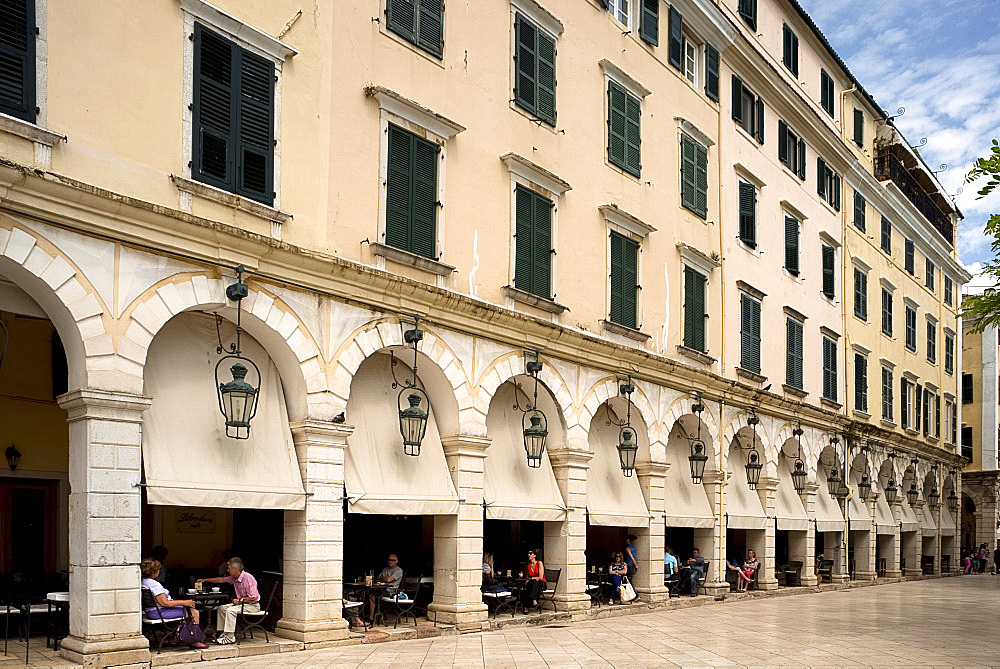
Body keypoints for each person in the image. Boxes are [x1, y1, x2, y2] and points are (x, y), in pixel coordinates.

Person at [141, 558, 209, 649]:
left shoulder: (143, 581)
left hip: (151, 611)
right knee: (193, 611)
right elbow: (165, 603)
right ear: (155, 572)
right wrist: (185, 602)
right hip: (159, 612)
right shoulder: (154, 585)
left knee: (186, 609)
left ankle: (182, 637)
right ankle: (195, 641)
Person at [197, 557, 260, 645]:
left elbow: (254, 597)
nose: (227, 570)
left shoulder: (248, 578)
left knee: (230, 611)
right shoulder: (234, 578)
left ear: (235, 569)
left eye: (229, 569)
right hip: (241, 604)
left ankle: (230, 637)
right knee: (222, 608)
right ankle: (223, 633)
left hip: (252, 606)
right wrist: (205, 580)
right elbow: (222, 580)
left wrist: (239, 600)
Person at [363, 554, 403, 622]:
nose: (390, 561)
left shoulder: (398, 570)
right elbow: (377, 579)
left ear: (396, 561)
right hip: (382, 589)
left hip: (391, 591)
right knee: (365, 593)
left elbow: (389, 580)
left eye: (392, 560)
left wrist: (383, 578)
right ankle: (364, 615)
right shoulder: (385, 569)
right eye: (389, 560)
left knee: (371, 595)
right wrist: (383, 578)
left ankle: (371, 617)